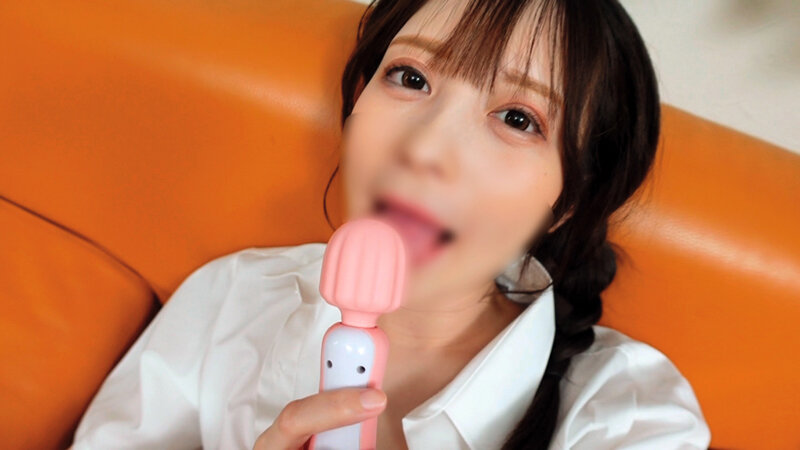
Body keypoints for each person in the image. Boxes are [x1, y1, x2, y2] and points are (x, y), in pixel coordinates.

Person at [71, 0, 712, 448]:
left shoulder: (629, 418)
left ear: (572, 198)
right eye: (410, 77)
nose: (424, 148)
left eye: (519, 119)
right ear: (355, 104)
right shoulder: (230, 303)